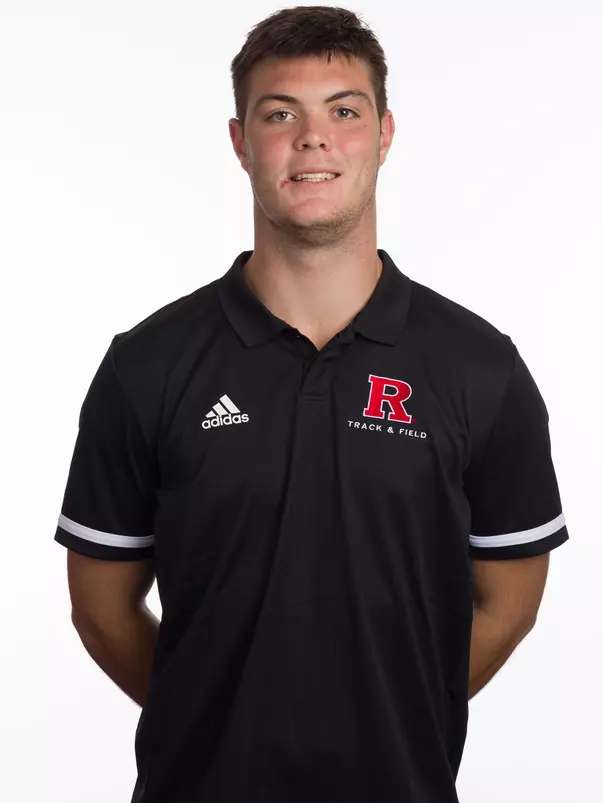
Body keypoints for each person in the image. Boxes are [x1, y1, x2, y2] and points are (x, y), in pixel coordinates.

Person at [54, 6, 570, 802]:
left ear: (384, 133)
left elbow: (508, 601)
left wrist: (394, 712)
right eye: (279, 113)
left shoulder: (478, 367)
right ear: (239, 142)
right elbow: (101, 606)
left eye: (343, 110)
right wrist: (215, 714)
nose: (312, 138)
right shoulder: (147, 365)